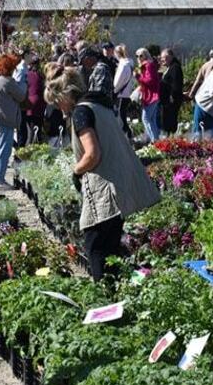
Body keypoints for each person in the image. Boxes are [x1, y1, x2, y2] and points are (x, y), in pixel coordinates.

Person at [44, 67, 160, 281]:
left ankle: (105, 295)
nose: (59, 108)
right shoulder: (100, 105)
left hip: (105, 188)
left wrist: (76, 170)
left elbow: (92, 154)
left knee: (95, 246)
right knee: (111, 248)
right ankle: (116, 293)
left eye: (57, 103)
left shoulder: (81, 112)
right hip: (120, 183)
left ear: (64, 96)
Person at [0, 53, 28, 194]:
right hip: (2, 118)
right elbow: (21, 96)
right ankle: (0, 181)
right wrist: (24, 83)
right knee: (3, 150)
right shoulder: (7, 81)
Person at [187, 48, 213, 137]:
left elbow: (197, 81)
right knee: (211, 130)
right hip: (212, 99)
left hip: (203, 97)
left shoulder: (205, 65)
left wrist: (191, 94)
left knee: (199, 128)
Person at [135, 49, 161, 142]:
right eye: (137, 56)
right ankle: (157, 141)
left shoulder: (148, 65)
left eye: (141, 55)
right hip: (151, 95)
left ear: (146, 55)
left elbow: (150, 80)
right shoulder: (147, 65)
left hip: (151, 96)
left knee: (145, 118)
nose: (139, 58)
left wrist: (138, 76)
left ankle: (154, 141)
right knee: (152, 119)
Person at [159, 48, 184, 138]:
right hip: (167, 100)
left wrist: (172, 96)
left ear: (170, 57)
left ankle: (170, 140)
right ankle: (169, 139)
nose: (162, 60)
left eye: (164, 57)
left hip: (171, 101)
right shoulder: (169, 67)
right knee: (166, 120)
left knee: (169, 121)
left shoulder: (175, 68)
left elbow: (176, 84)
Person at [112, 45, 135, 136]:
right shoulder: (130, 64)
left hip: (121, 93)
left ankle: (126, 133)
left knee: (121, 116)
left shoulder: (123, 65)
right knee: (123, 114)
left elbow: (118, 82)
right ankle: (127, 133)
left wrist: (114, 90)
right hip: (127, 92)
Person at [23, 55, 46, 144]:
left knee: (31, 132)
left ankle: (30, 149)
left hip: (30, 105)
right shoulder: (41, 75)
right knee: (38, 130)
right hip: (40, 104)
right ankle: (38, 148)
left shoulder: (27, 75)